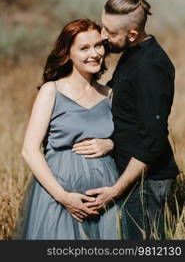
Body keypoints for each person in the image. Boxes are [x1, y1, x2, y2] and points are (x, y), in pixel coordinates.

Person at [72, 0, 179, 240]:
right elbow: (131, 118)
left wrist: (115, 191)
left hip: (147, 183)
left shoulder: (150, 67)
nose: (103, 36)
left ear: (132, 34)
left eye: (109, 32)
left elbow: (152, 140)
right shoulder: (133, 53)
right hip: (134, 178)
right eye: (102, 26)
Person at [12, 19, 121, 240]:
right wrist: (63, 197)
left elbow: (128, 137)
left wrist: (112, 143)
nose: (94, 53)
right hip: (59, 197)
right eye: (84, 48)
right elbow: (29, 150)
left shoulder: (109, 94)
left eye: (98, 45)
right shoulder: (52, 91)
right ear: (68, 53)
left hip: (104, 200)